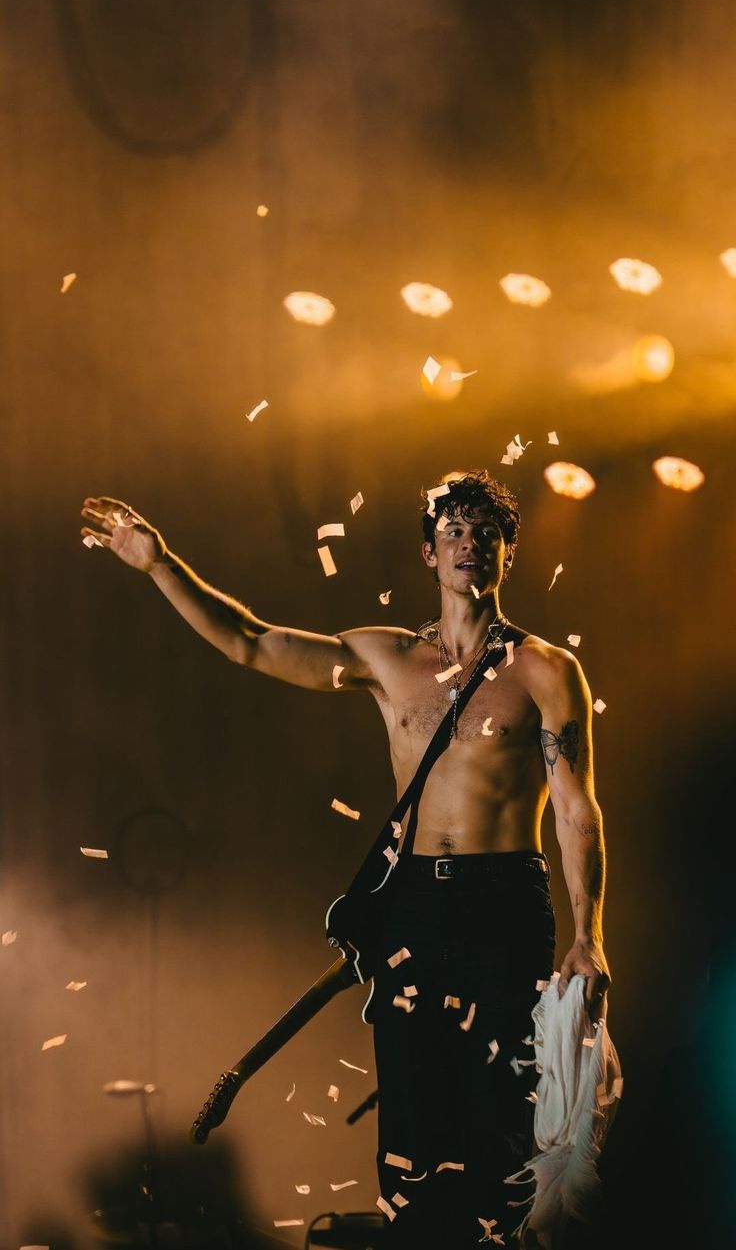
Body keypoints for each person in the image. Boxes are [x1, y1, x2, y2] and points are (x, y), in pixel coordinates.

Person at [80, 469, 611, 1249]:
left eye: (485, 531)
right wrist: (158, 562)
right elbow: (251, 641)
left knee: (499, 1120)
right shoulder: (387, 657)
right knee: (413, 1123)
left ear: (507, 553)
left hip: (504, 905)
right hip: (414, 909)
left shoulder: (548, 671)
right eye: (455, 530)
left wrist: (590, 932)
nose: (470, 542)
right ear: (429, 553)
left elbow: (576, 812)